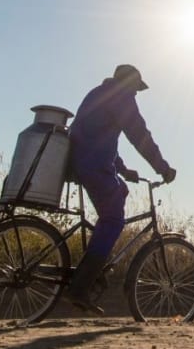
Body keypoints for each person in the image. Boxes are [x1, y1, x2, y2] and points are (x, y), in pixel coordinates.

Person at [66, 64, 176, 315]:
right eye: (136, 89)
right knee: (114, 220)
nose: (136, 94)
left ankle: (94, 267)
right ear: (129, 84)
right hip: (94, 166)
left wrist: (124, 170)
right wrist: (163, 168)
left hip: (84, 162)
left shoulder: (99, 93)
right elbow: (139, 135)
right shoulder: (121, 97)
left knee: (121, 193)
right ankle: (81, 284)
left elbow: (99, 137)